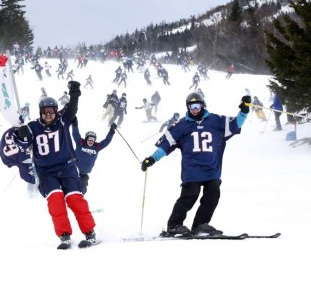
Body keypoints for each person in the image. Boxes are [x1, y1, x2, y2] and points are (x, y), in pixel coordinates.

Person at [140, 92, 251, 237]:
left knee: (213, 194)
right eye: (191, 106)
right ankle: (174, 225)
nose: (195, 109)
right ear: (188, 107)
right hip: (192, 169)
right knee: (190, 194)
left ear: (203, 105)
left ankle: (200, 225)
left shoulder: (216, 120)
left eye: (197, 105)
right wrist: (152, 158)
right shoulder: (181, 125)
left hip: (212, 169)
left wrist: (244, 110)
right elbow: (166, 145)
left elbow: (236, 124)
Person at [15, 81, 98, 249]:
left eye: (51, 111)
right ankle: (64, 235)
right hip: (46, 172)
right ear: (41, 112)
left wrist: (74, 95)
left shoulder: (62, 120)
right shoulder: (33, 127)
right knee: (55, 201)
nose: (48, 115)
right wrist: (20, 134)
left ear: (55, 111)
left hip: (67, 167)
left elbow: (72, 110)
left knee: (75, 199)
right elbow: (20, 144)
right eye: (45, 112)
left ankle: (90, 232)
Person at [72, 122, 116, 193]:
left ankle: (79, 197)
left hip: (84, 173)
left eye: (92, 140)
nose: (91, 141)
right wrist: (75, 125)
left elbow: (106, 141)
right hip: (73, 169)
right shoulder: (80, 143)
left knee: (82, 188)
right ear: (86, 139)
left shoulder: (97, 147)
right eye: (89, 139)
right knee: (70, 184)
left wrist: (111, 132)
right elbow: (76, 134)